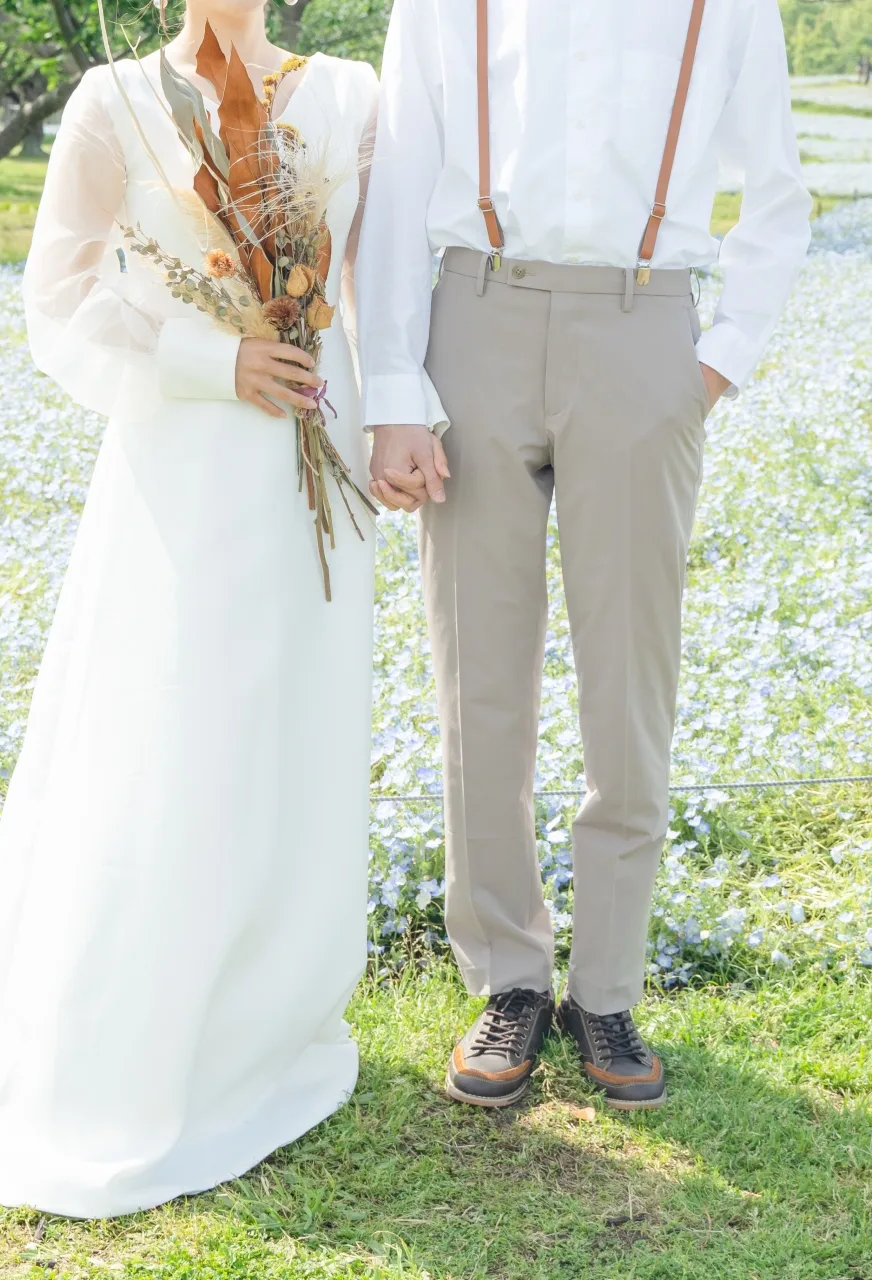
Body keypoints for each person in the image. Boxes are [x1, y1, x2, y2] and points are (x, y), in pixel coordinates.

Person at [0, 0, 389, 1218]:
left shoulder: (356, 95)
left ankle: (270, 1021)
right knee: (170, 732)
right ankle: (144, 1035)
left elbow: (379, 289)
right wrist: (220, 360)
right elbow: (59, 295)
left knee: (299, 731)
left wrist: (383, 411)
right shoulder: (111, 100)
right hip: (185, 462)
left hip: (319, 447)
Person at [358, 0, 809, 1111]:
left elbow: (780, 191)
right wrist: (392, 386)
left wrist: (711, 363)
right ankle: (509, 978)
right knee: (479, 680)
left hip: (644, 320)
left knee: (629, 682)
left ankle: (606, 988)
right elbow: (402, 177)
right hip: (477, 312)